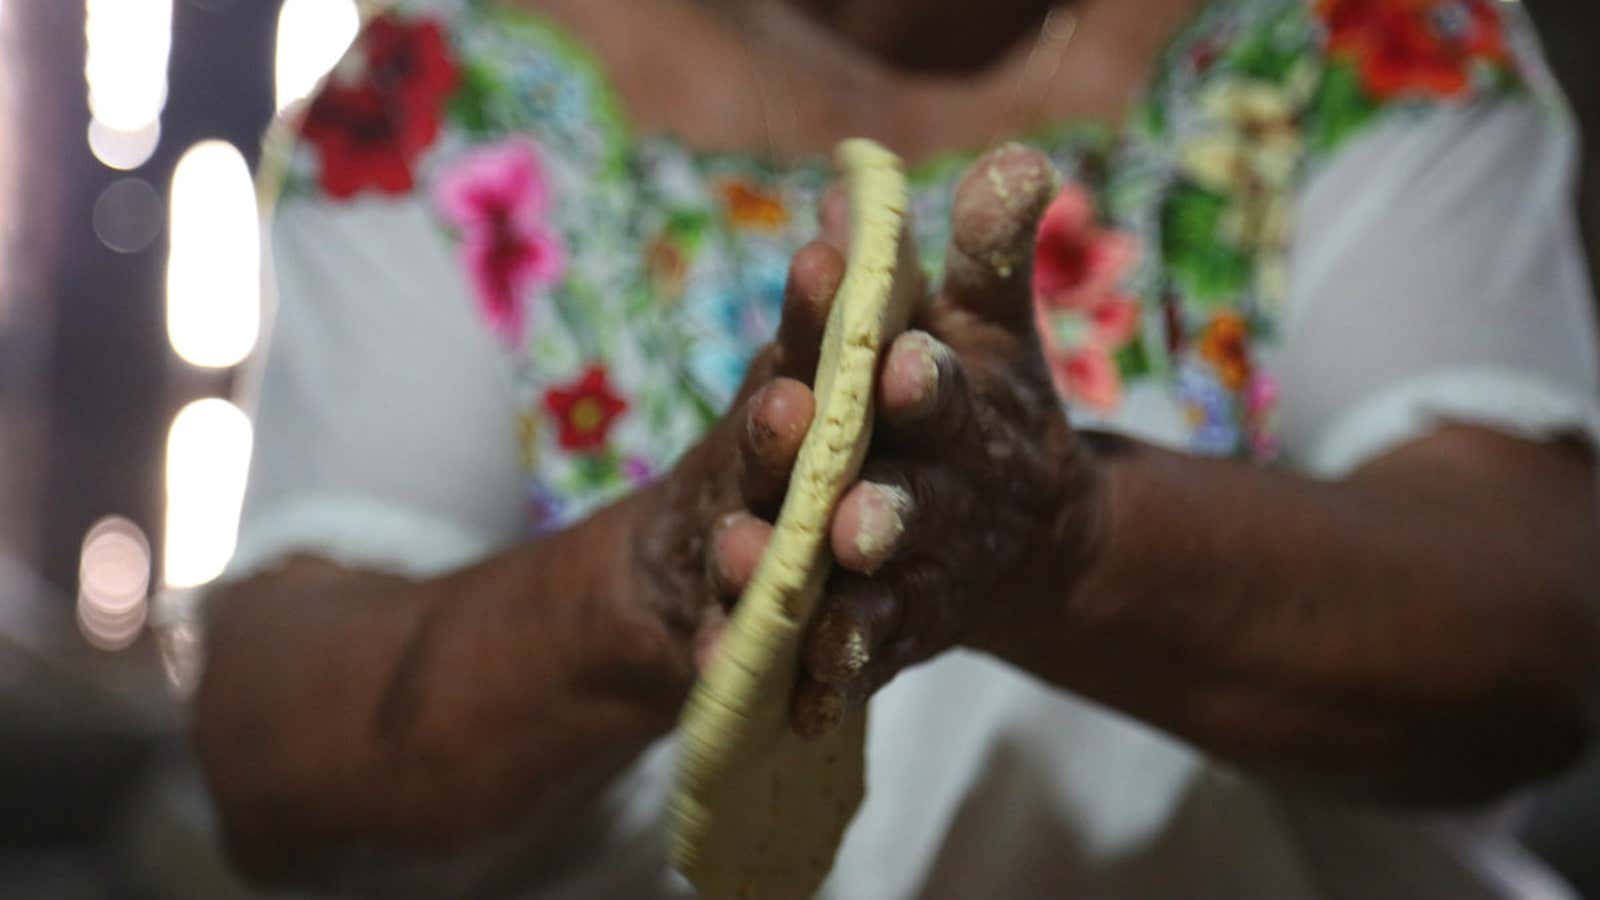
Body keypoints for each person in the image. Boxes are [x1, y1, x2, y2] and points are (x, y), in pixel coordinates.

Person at [191, 0, 1600, 895]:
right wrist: (671, 578)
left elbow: (1536, 632)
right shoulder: (451, 92)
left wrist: (1070, 539)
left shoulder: (1362, 42)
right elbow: (286, 755)